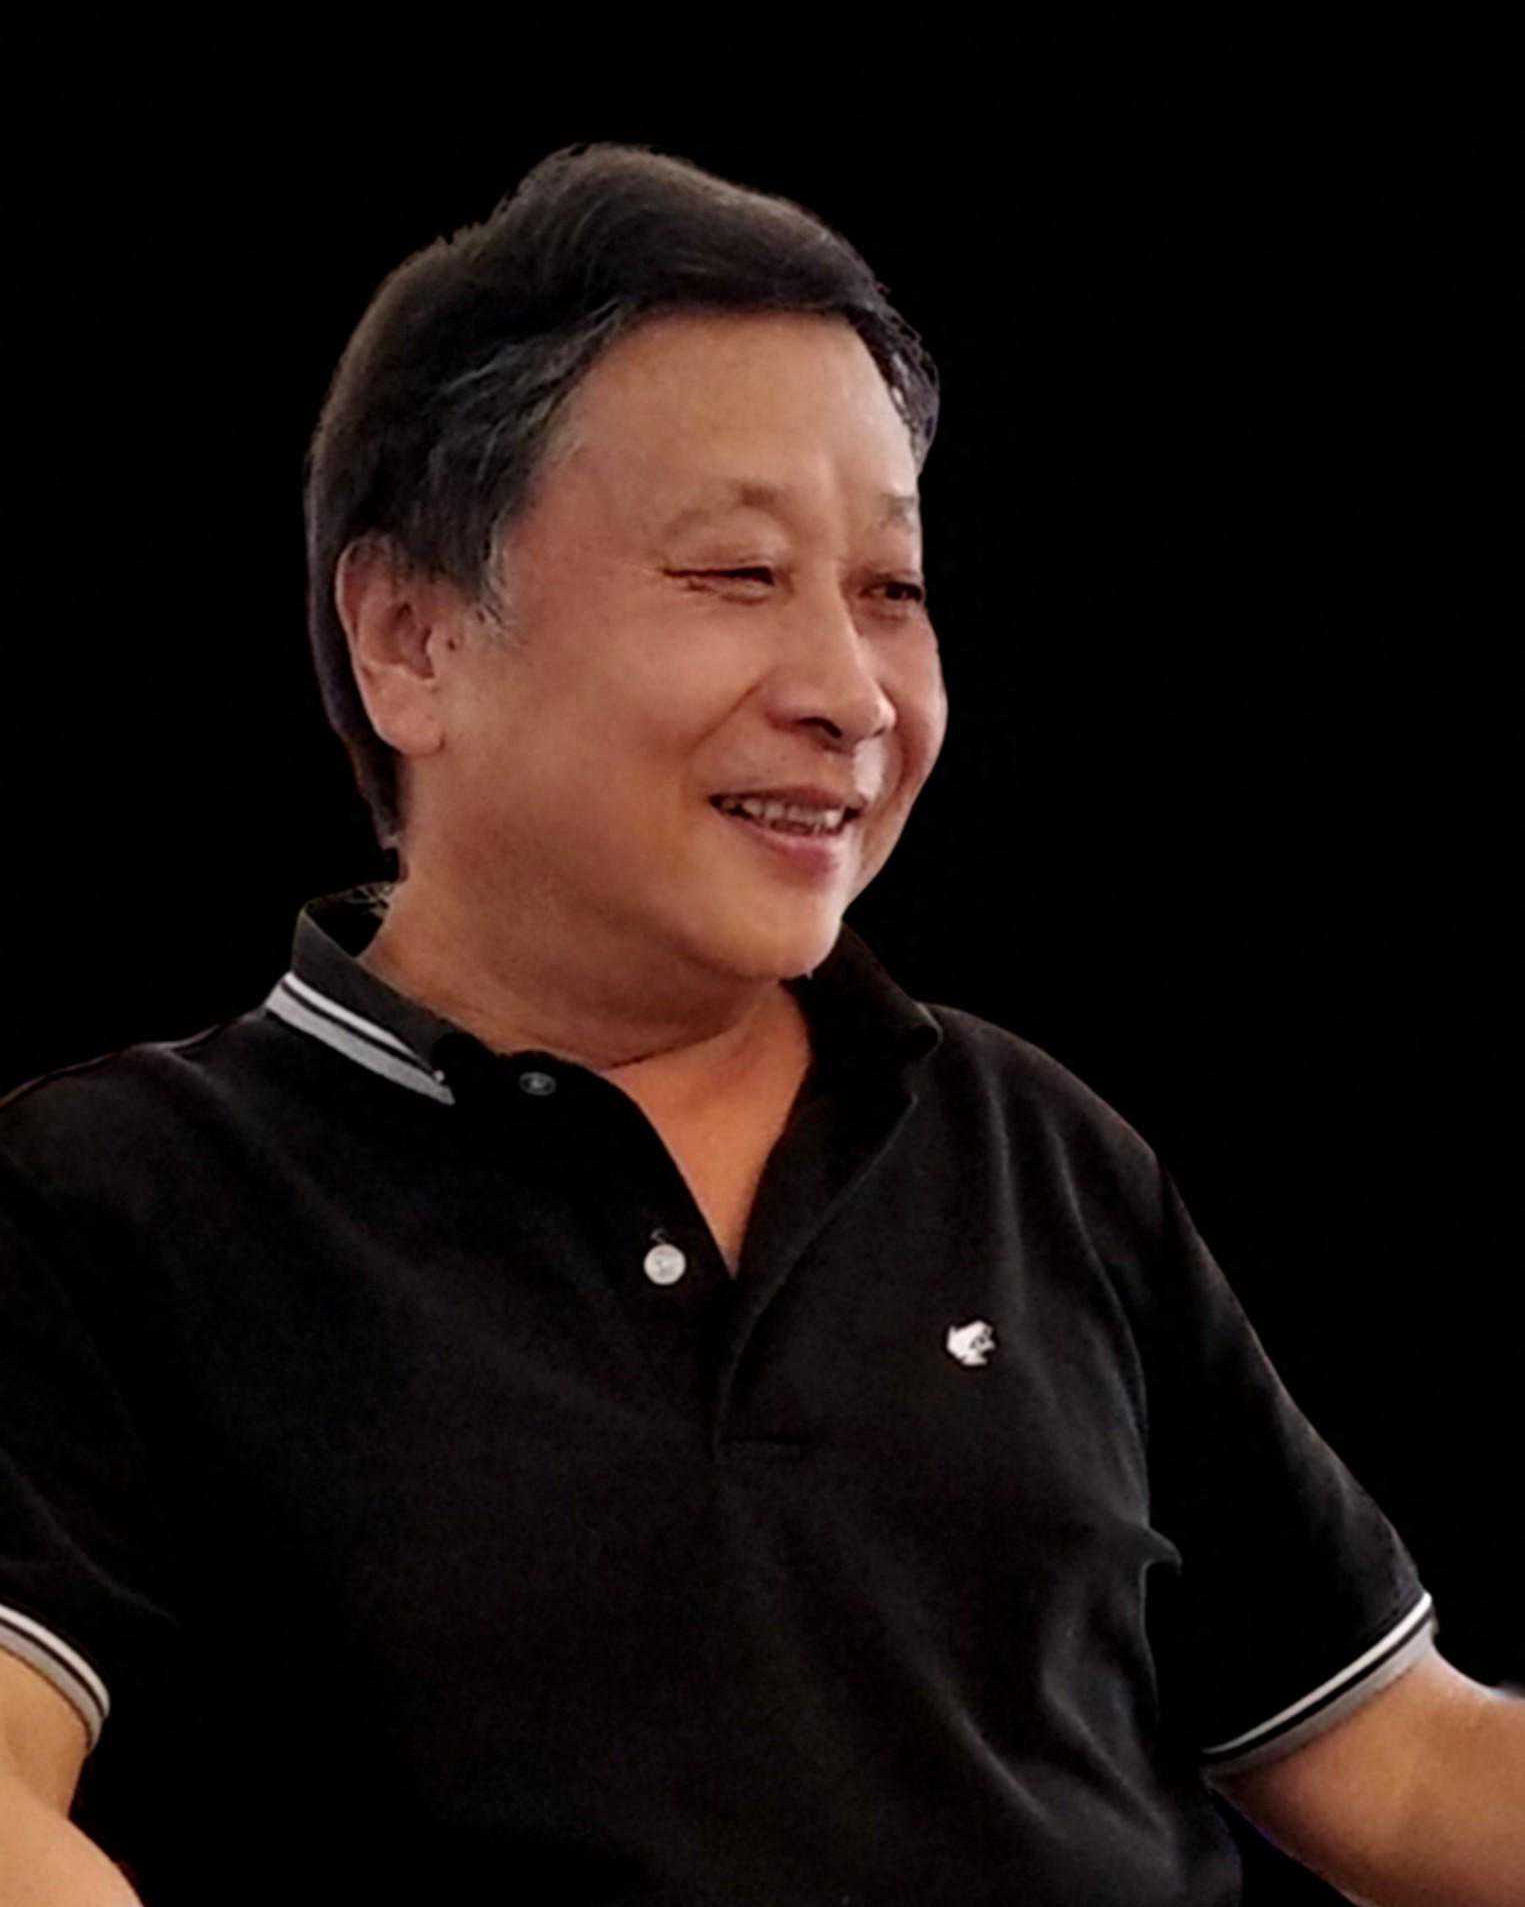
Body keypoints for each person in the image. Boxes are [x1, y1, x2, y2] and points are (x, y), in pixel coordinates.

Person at [0, 142, 1519, 1907]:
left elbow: (1401, 1767)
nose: (850, 693)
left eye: (890, 589)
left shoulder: (1032, 1151)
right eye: (735, 574)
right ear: (411, 637)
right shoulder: (111, 1203)